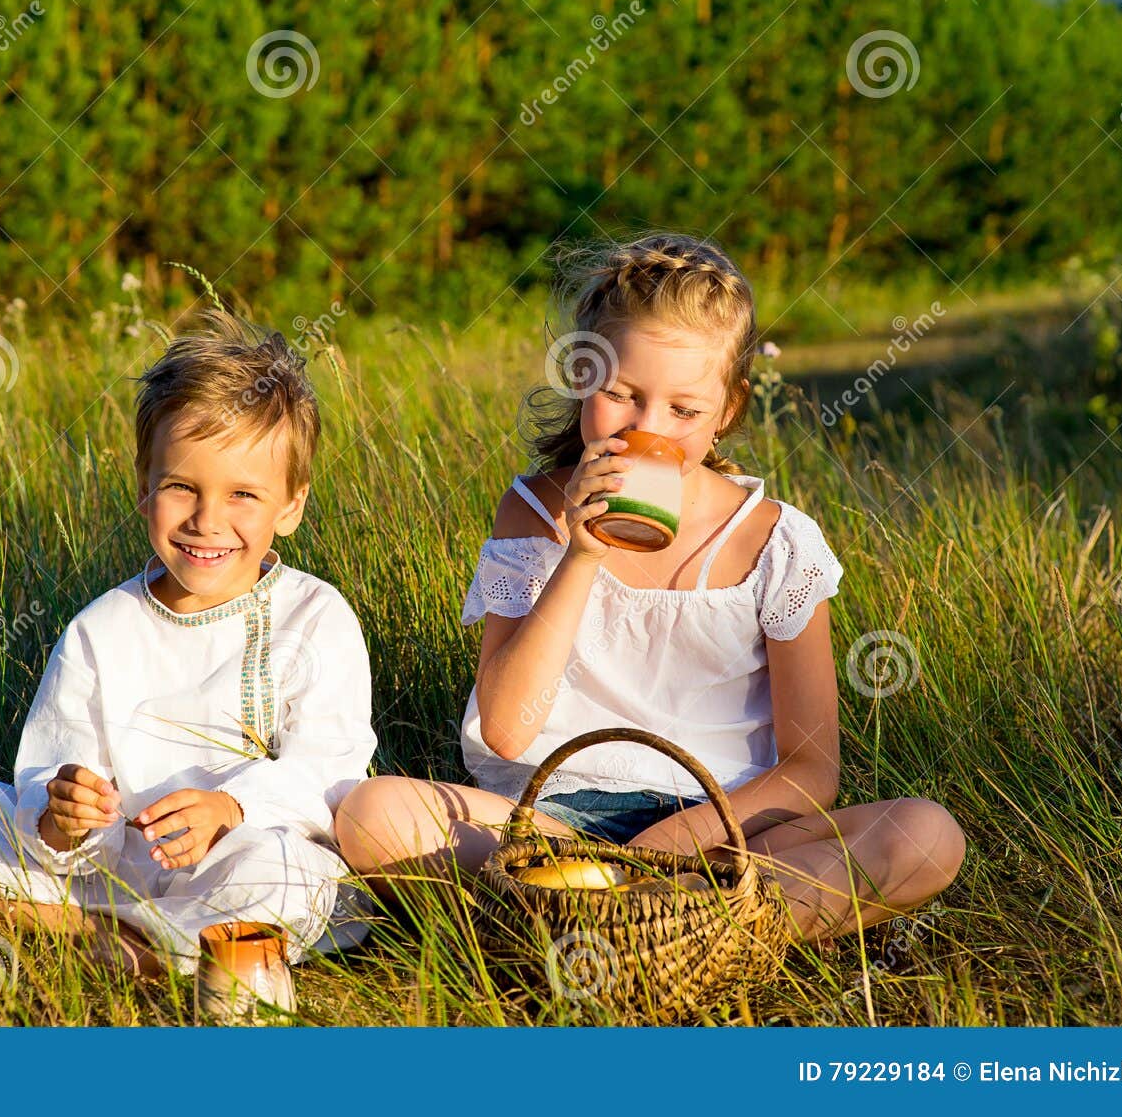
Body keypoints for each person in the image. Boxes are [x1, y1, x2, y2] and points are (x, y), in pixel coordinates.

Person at [334, 232, 965, 942]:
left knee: (922, 834)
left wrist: (664, 851)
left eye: (683, 411)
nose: (646, 429)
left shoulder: (775, 542)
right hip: (550, 828)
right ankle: (668, 930)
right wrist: (579, 556)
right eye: (622, 395)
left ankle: (618, 926)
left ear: (728, 409)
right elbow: (508, 731)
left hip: (722, 834)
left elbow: (812, 768)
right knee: (372, 811)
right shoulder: (535, 513)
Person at [0, 309, 375, 975]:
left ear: (291, 505)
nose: (207, 520)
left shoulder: (314, 616)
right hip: (106, 872)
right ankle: (116, 932)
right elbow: (52, 776)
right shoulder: (100, 630)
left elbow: (330, 773)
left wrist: (232, 807)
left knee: (286, 875)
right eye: (181, 487)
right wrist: (64, 818)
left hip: (241, 863)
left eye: (243, 495)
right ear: (144, 486)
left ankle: (76, 934)